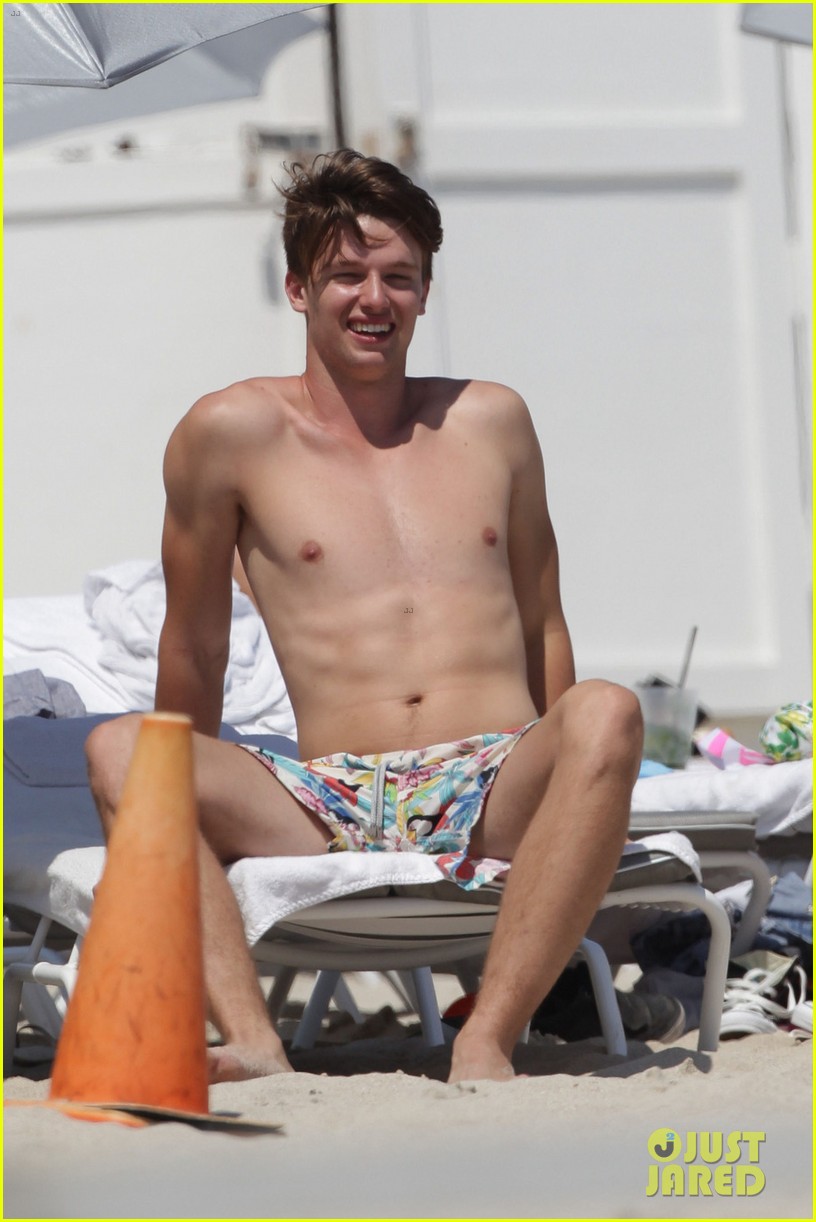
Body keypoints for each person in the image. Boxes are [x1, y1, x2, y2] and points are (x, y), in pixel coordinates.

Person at [86, 149, 643, 1084]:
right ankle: (253, 1040)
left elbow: (543, 622)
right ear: (299, 289)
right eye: (347, 274)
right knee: (124, 750)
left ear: (425, 291)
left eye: (399, 277)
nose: (374, 299)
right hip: (333, 795)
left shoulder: (492, 421)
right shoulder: (229, 434)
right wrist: (178, 825)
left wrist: (567, 796)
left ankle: (487, 1036)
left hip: (492, 779)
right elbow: (195, 647)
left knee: (610, 710)